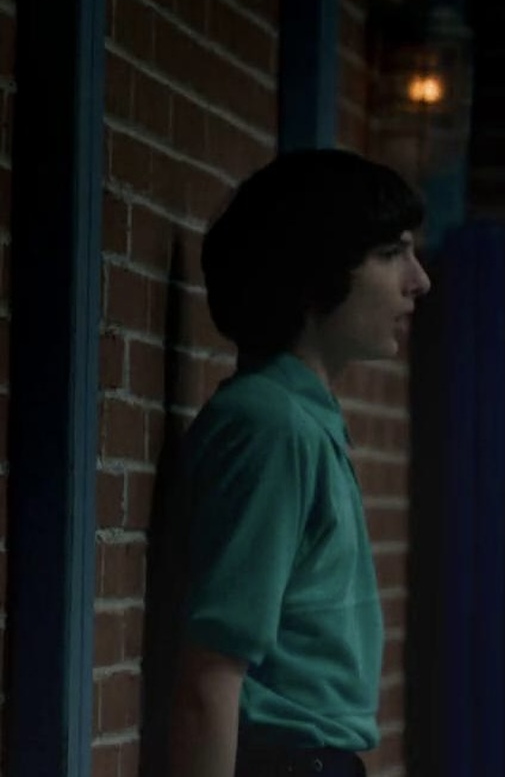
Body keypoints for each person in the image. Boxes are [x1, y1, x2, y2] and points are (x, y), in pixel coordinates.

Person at [167, 149, 432, 777]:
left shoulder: (303, 421)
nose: (419, 280)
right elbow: (210, 678)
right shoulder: (271, 426)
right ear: (318, 272)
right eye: (390, 253)